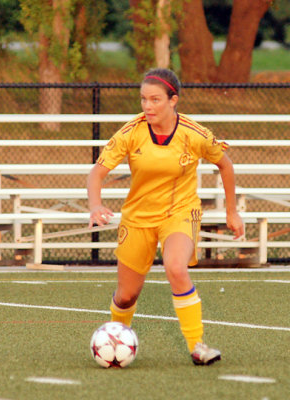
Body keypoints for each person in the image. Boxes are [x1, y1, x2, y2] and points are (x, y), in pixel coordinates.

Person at [87, 68, 244, 366]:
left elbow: (225, 165)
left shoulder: (194, 134)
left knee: (175, 266)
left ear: (173, 100)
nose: (147, 106)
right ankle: (119, 337)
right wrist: (95, 205)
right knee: (126, 297)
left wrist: (231, 211)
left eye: (155, 100)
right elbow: (97, 172)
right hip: (137, 218)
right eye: (144, 99)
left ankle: (197, 346)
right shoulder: (131, 132)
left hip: (180, 212)